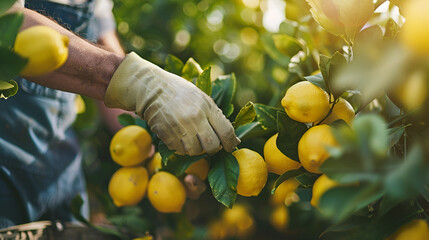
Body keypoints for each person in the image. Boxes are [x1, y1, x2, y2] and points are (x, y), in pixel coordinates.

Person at [0, 0, 239, 228]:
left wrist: (162, 150)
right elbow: (7, 25)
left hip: (61, 162)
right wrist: (139, 81)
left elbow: (104, 53)